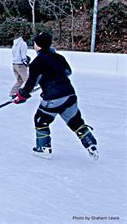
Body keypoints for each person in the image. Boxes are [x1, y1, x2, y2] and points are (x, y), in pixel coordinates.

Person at [13, 32, 99, 160]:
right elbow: (68, 72)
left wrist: (21, 95)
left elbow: (31, 83)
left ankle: (43, 148)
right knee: (75, 121)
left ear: (38, 45)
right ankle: (90, 144)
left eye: (35, 43)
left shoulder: (37, 62)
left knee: (40, 120)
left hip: (53, 98)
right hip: (69, 95)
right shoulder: (58, 57)